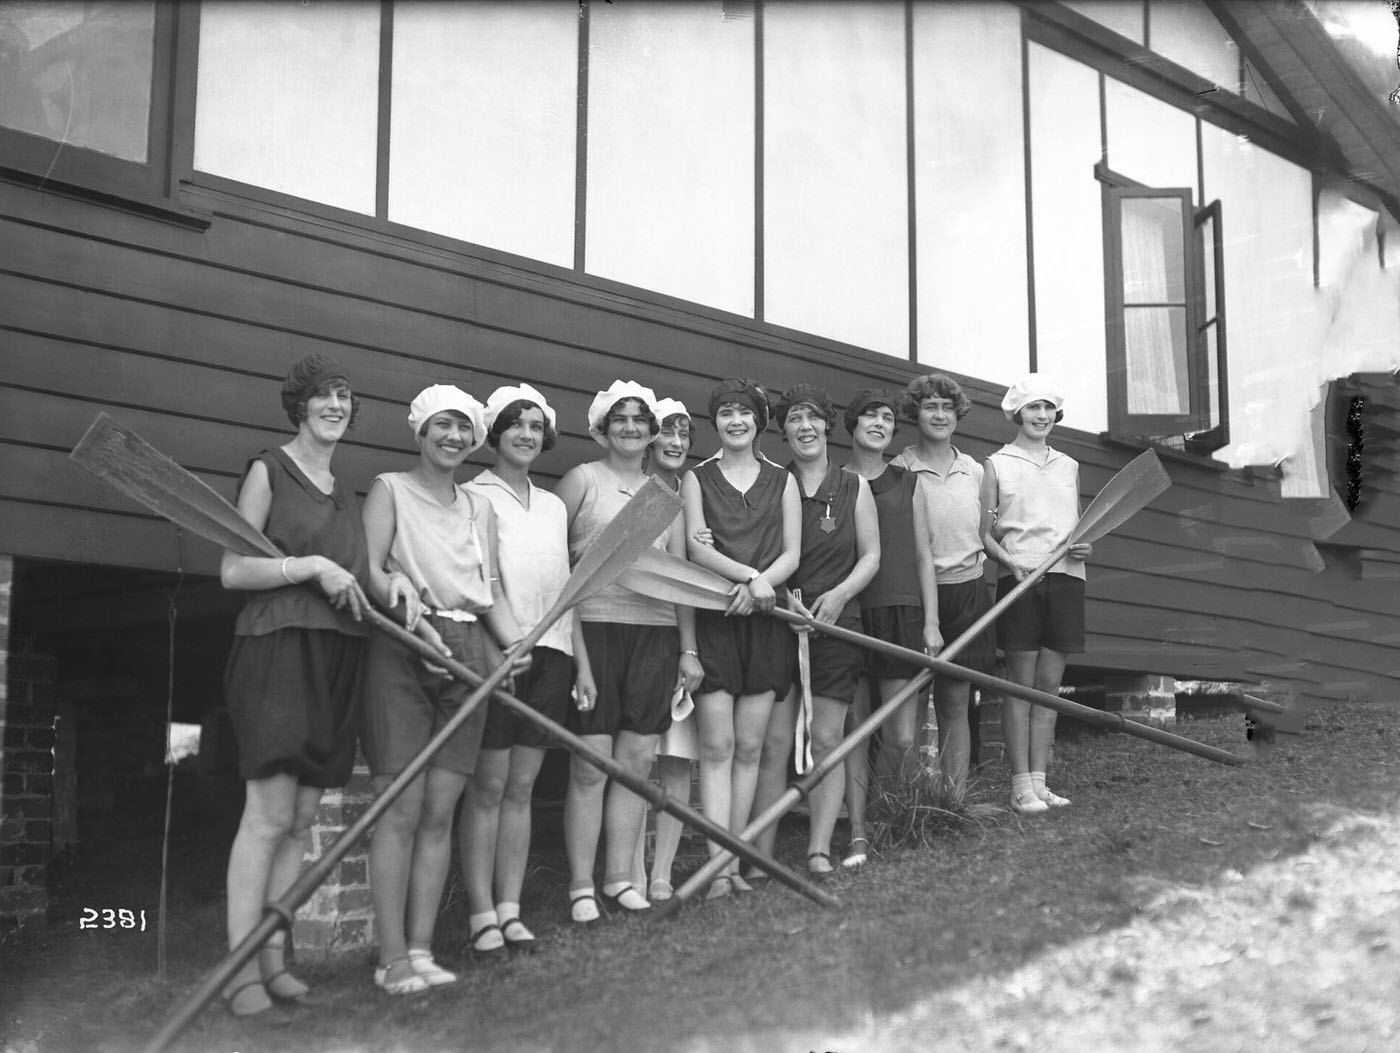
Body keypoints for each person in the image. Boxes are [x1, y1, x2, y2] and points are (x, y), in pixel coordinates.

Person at [360, 384, 530, 993]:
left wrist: (513, 646)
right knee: (399, 808)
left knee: (439, 811)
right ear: (421, 431)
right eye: (443, 426)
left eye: (465, 428)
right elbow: (372, 571)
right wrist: (411, 614)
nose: (454, 437)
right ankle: (391, 959)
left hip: (469, 657)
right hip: (404, 648)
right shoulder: (388, 489)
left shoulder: (478, 508)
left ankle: (422, 950)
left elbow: (487, 594)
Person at [219, 354, 372, 1017]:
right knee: (269, 815)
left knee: (304, 818)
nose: (336, 405)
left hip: (337, 654)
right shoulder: (268, 469)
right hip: (276, 645)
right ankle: (240, 968)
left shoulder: (345, 491)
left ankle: (275, 958)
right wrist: (307, 564)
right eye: (324, 396)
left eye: (345, 397)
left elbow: (359, 578)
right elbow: (232, 569)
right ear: (300, 406)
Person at [555, 380, 703, 922]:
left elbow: (681, 577)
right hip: (593, 631)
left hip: (655, 636)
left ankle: (619, 878)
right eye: (621, 418)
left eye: (641, 419)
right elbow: (559, 572)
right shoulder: (581, 481)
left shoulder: (666, 497)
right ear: (601, 426)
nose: (632, 427)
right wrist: (577, 653)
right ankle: (580, 885)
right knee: (591, 766)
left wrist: (688, 649)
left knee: (637, 764)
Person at [459, 383, 579, 956]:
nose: (527, 434)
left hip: (553, 651)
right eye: (515, 424)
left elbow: (565, 588)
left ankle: (511, 908)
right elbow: (484, 580)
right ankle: (480, 912)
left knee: (523, 786)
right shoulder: (471, 495)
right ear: (494, 433)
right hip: (498, 653)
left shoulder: (554, 504)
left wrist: (580, 662)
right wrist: (505, 642)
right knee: (488, 786)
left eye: (535, 425)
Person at [750, 384, 879, 883]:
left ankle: (818, 850)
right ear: (783, 432)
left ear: (828, 425)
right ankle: (761, 852)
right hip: (780, 624)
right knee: (775, 741)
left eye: (813, 418)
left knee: (827, 737)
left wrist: (841, 594)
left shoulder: (853, 487)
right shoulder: (771, 483)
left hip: (836, 624)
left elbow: (871, 555)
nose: (805, 427)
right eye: (794, 420)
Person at [681, 379, 801, 898]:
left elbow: (792, 553)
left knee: (750, 747)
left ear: (759, 422)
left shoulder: (783, 481)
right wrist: (750, 580)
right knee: (717, 745)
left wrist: (760, 586)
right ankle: (717, 870)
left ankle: (736, 861)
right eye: (726, 412)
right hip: (717, 621)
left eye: (744, 413)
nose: (735, 420)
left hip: (766, 623)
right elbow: (695, 548)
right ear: (717, 422)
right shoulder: (697, 478)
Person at [980, 373, 1090, 815]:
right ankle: (1019, 784)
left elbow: (1079, 524)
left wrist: (1087, 545)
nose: (1041, 415)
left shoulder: (1069, 466)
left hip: (1067, 578)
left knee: (1049, 685)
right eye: (1032, 407)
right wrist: (1010, 562)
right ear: (1017, 413)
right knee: (1020, 685)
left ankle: (1041, 783)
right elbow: (984, 534)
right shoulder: (997, 464)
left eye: (1048, 407)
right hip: (1021, 578)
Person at [840, 388, 939, 867]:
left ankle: (883, 813)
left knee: (900, 736)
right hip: (850, 612)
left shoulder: (908, 481)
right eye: (869, 416)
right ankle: (858, 831)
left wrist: (933, 622)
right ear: (852, 425)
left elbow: (924, 555)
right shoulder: (833, 480)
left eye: (886, 418)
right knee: (857, 728)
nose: (878, 424)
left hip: (902, 611)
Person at [890, 373, 998, 804]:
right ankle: (910, 802)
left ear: (957, 416)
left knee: (956, 701)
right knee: (912, 704)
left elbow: (991, 532)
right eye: (930, 406)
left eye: (947, 408)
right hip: (918, 596)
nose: (939, 415)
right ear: (916, 413)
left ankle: (954, 801)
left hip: (968, 592)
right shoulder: (900, 468)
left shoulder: (973, 469)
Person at [633, 398, 703, 903]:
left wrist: (689, 649)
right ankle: (630, 869)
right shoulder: (629, 490)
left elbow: (686, 581)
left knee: (677, 759)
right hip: (629, 636)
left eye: (684, 434)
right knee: (636, 757)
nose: (676, 443)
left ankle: (662, 873)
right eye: (668, 433)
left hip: (676, 638)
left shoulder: (692, 496)